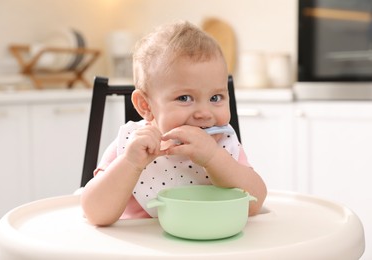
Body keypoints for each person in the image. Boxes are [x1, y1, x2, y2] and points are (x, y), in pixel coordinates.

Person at [81, 20, 267, 226]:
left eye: (215, 98)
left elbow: (255, 203)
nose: (205, 113)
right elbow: (94, 214)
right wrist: (130, 163)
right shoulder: (131, 146)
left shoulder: (222, 144)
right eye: (185, 98)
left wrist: (214, 158)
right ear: (145, 105)